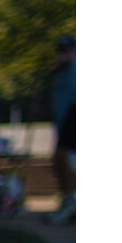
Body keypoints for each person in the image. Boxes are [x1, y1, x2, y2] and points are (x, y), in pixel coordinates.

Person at [46, 34, 75, 225]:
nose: (62, 54)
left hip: (75, 116)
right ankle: (70, 199)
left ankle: (72, 200)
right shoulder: (61, 72)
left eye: (66, 50)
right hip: (64, 120)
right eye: (60, 50)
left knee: (61, 157)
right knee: (60, 159)